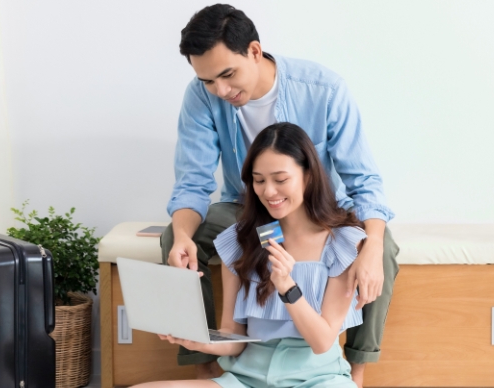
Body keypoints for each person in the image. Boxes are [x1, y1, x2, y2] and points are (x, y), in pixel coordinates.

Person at [163, 4, 399, 386]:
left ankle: (355, 372)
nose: (220, 90)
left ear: (254, 51)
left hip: (320, 208)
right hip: (246, 205)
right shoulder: (202, 97)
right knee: (175, 237)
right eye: (208, 81)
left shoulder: (323, 89)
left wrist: (372, 244)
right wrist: (182, 236)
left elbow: (364, 181)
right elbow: (192, 183)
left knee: (380, 248)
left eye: (227, 75)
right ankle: (205, 366)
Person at [139, 123, 367, 387]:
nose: (268, 192)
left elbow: (322, 342)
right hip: (246, 379)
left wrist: (287, 287)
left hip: (319, 379)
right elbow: (233, 337)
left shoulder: (342, 242)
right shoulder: (241, 240)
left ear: (309, 176)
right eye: (259, 180)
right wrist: (199, 340)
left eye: (280, 180)